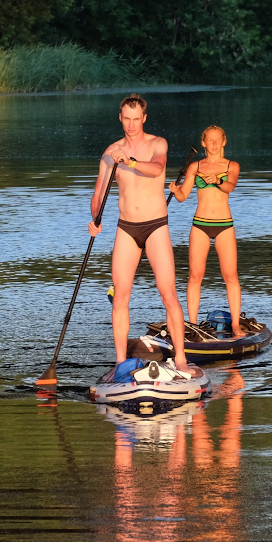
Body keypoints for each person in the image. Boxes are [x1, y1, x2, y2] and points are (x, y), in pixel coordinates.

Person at [90, 94, 195, 380]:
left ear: (144, 118)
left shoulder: (157, 143)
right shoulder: (110, 152)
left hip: (156, 226)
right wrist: (95, 218)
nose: (132, 124)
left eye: (137, 119)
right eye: (127, 118)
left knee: (168, 293)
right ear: (120, 118)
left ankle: (182, 360)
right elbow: (99, 193)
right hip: (126, 227)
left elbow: (158, 168)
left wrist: (132, 162)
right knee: (120, 295)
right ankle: (121, 364)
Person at [169, 125, 243, 336]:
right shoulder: (195, 166)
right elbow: (183, 196)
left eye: (217, 139)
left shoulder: (231, 166)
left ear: (224, 141)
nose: (214, 143)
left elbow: (230, 186)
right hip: (200, 225)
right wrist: (175, 191)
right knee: (195, 275)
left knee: (230, 275)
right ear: (203, 143)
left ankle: (236, 326)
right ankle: (192, 326)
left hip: (224, 226)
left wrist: (218, 180)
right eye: (210, 140)